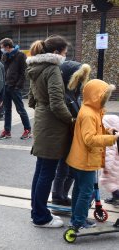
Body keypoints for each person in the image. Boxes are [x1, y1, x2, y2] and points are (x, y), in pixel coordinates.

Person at [27, 35, 73, 228]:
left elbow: (31, 100)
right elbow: (57, 102)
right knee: (47, 172)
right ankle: (41, 217)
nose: (65, 56)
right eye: (64, 53)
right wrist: (71, 120)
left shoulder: (35, 68)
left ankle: (36, 211)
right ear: (56, 53)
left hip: (41, 120)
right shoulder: (52, 68)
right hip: (52, 125)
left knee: (41, 171)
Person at [66, 80, 118, 230]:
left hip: (80, 158)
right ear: (97, 96)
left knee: (79, 189)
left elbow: (95, 131)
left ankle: (76, 218)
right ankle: (78, 222)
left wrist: (109, 132)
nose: (106, 99)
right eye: (104, 96)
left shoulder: (91, 110)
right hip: (85, 160)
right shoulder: (89, 114)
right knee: (86, 191)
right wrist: (112, 139)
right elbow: (89, 139)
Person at [51, 62, 91, 206]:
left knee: (69, 169)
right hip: (67, 137)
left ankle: (61, 194)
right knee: (64, 168)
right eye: (79, 77)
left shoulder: (72, 93)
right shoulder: (65, 95)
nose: (81, 80)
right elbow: (66, 116)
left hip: (73, 136)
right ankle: (58, 195)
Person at [0, 38, 32, 140]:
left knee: (20, 109)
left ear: (7, 47)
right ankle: (7, 131)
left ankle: (28, 130)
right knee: (7, 110)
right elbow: (4, 71)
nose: (1, 49)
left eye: (2, 47)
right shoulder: (5, 56)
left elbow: (24, 72)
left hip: (15, 87)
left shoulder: (20, 55)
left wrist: (17, 86)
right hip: (6, 86)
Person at [101, 115, 119, 207]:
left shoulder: (110, 140)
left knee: (107, 182)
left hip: (111, 167)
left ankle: (117, 197)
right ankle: (115, 198)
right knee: (115, 182)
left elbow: (109, 154)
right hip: (116, 165)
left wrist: (106, 167)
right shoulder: (116, 136)